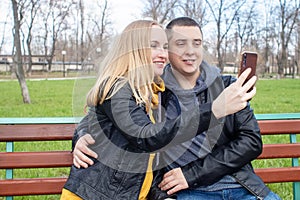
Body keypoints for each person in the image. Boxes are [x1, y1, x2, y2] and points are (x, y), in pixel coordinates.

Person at [70, 17, 275, 200]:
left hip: (242, 186)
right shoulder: (152, 92)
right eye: (180, 43)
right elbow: (104, 116)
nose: (190, 51)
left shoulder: (227, 88)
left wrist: (192, 174)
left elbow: (251, 142)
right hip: (189, 192)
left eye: (197, 43)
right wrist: (82, 134)